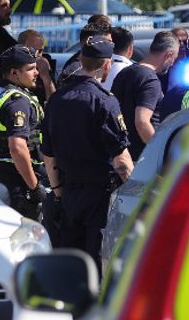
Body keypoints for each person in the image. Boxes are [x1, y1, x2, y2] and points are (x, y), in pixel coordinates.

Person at [41, 35, 132, 266]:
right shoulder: (105, 102)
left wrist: (58, 191)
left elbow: (48, 154)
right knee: (96, 258)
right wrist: (134, 191)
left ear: (81, 59)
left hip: (69, 191)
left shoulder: (56, 100)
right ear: (107, 64)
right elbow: (120, 158)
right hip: (99, 194)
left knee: (71, 258)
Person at [0, 46, 47, 219]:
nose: (36, 72)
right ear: (14, 73)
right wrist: (34, 186)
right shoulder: (18, 102)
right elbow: (17, 148)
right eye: (30, 69)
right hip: (16, 179)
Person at [111, 31, 179, 161]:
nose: (172, 64)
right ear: (168, 54)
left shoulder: (125, 72)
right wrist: (160, 152)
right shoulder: (150, 80)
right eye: (174, 59)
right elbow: (142, 122)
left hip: (123, 155)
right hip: (142, 158)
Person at [17, 29, 57, 100]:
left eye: (40, 51)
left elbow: (53, 104)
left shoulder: (43, 68)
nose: (37, 55)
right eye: (33, 50)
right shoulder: (10, 69)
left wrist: (46, 77)